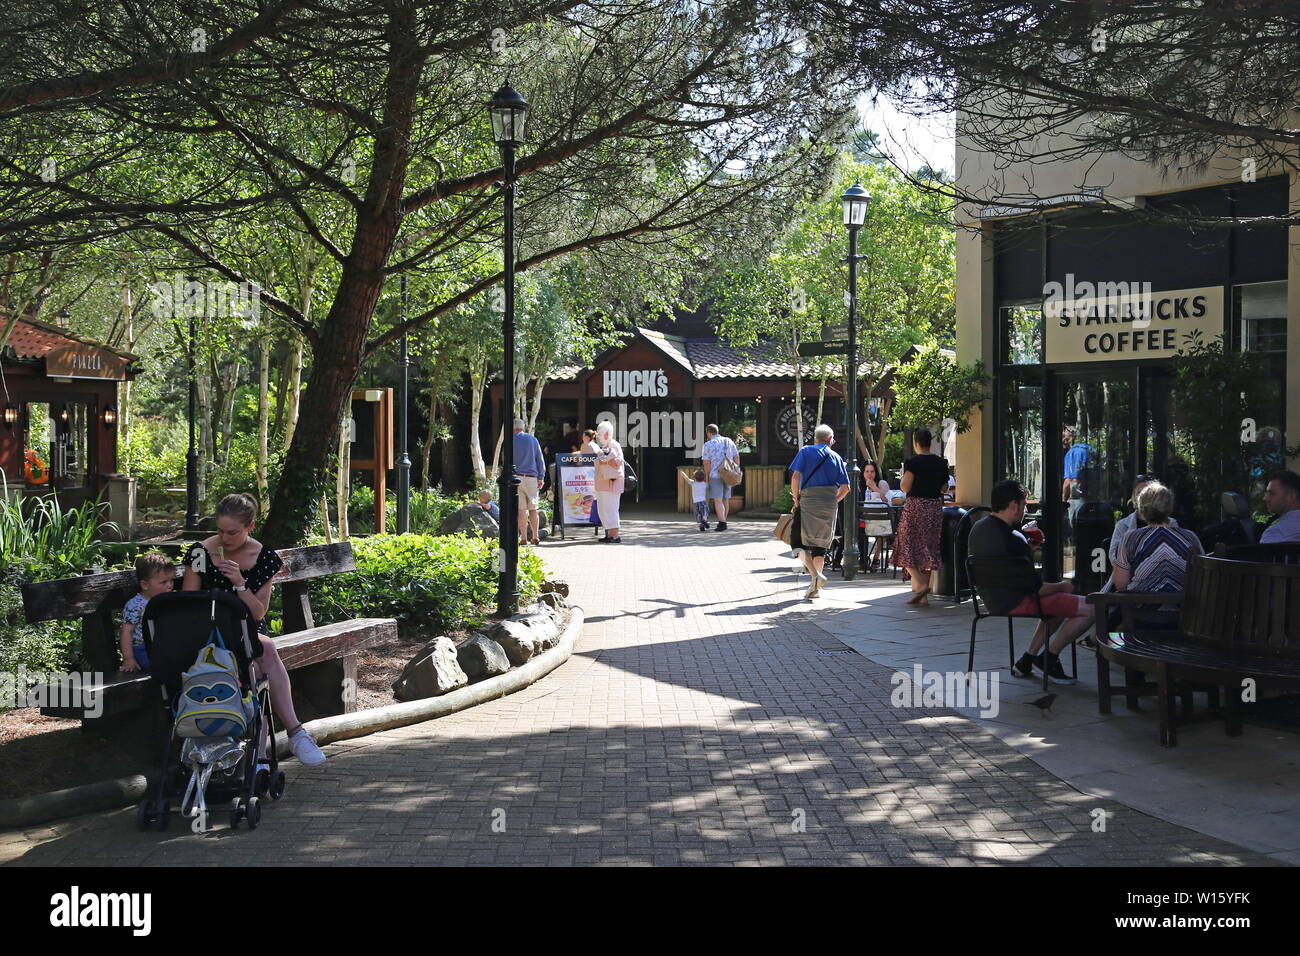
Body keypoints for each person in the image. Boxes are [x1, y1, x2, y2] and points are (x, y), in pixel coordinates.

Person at [182, 493, 326, 766]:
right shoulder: (201, 552)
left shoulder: (263, 558)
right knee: (260, 665)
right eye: (220, 531)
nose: (224, 538)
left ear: (250, 526)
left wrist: (238, 583)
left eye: (232, 532)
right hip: (208, 631)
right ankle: (288, 738)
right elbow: (188, 602)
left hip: (247, 629)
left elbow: (258, 612)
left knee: (261, 660)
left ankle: (265, 752)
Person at [968, 479, 1092, 685]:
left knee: (1058, 603)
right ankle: (1049, 657)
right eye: (1024, 504)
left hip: (991, 600)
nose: (1025, 509)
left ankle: (1028, 659)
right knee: (1091, 608)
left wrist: (1027, 551)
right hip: (1018, 600)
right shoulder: (1015, 538)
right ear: (1014, 505)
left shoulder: (977, 529)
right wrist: (1064, 585)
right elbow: (1037, 589)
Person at [1112, 481, 1203, 626]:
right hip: (1184, 619)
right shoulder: (1191, 538)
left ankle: (1112, 644)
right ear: (1169, 507)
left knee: (1114, 626)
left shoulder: (1130, 538)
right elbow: (1200, 580)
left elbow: (1121, 584)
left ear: (1142, 508)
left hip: (1141, 618)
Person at [789, 424, 851, 599]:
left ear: (815, 438)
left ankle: (815, 577)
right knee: (820, 546)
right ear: (830, 440)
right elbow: (846, 488)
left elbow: (795, 477)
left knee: (797, 542)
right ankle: (815, 589)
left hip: (807, 501)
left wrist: (795, 498)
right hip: (829, 503)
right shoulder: (836, 457)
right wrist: (834, 500)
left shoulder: (806, 451)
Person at [894, 428, 948, 606]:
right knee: (928, 547)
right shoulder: (941, 462)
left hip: (915, 507)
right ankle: (922, 597)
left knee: (905, 545)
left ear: (916, 443)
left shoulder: (913, 462)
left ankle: (922, 585)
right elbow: (944, 488)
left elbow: (906, 487)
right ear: (930, 442)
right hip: (934, 508)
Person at [1102, 474, 1178, 592]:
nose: (1145, 500)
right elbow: (1114, 559)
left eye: (1149, 495)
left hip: (1137, 602)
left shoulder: (1173, 526)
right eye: (1140, 494)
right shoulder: (1123, 526)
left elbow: (1121, 583)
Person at [119, 552, 176, 672]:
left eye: (171, 580)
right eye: (164, 582)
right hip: (143, 649)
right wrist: (128, 659)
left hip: (164, 646)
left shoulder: (167, 601)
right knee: (168, 666)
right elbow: (126, 632)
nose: (170, 585)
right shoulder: (135, 605)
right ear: (145, 584)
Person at [700, 423, 740, 531]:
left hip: (715, 474)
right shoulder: (729, 441)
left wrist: (707, 476)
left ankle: (722, 523)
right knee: (725, 499)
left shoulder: (708, 444)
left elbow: (707, 463)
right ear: (717, 431)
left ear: (708, 433)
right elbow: (736, 457)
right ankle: (724, 520)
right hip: (729, 474)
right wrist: (736, 470)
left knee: (717, 500)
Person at [512, 418, 545, 546]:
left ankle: (523, 537)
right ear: (523, 427)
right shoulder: (533, 439)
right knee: (533, 509)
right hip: (532, 478)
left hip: (517, 478)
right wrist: (541, 477)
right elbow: (540, 460)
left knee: (521, 510)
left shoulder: (511, 440)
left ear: (513, 428)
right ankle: (535, 536)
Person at [593, 421, 625, 543]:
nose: (599, 437)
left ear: (606, 434)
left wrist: (603, 459)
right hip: (603, 483)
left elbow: (617, 463)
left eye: (600, 434)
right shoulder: (605, 446)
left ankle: (615, 535)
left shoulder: (614, 445)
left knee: (611, 508)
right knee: (603, 509)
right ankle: (609, 534)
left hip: (612, 483)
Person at [1061, 424, 1093, 545]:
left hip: (1077, 499)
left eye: (1064, 436)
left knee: (1072, 533)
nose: (1063, 439)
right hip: (1092, 498)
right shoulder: (1089, 449)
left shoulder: (1072, 453)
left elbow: (1070, 480)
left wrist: (1063, 500)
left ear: (1071, 436)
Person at [861, 460, 891, 571]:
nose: (869, 474)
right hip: (863, 519)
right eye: (867, 471)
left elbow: (887, 500)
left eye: (872, 471)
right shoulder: (859, 484)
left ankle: (877, 556)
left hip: (880, 518)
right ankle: (863, 559)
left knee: (882, 524)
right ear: (862, 473)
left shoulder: (881, 483)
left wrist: (874, 487)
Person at [1260, 471, 1300, 543]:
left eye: (1272, 493)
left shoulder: (1275, 533)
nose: (1265, 498)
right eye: (1267, 493)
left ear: (1291, 496)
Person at [681, 467, 710, 531]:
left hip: (696, 502)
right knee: (705, 512)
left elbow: (687, 479)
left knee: (698, 514)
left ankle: (702, 525)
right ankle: (704, 521)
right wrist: (707, 475)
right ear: (703, 477)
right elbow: (708, 482)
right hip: (703, 501)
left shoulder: (693, 483)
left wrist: (683, 474)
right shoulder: (705, 484)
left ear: (694, 477)